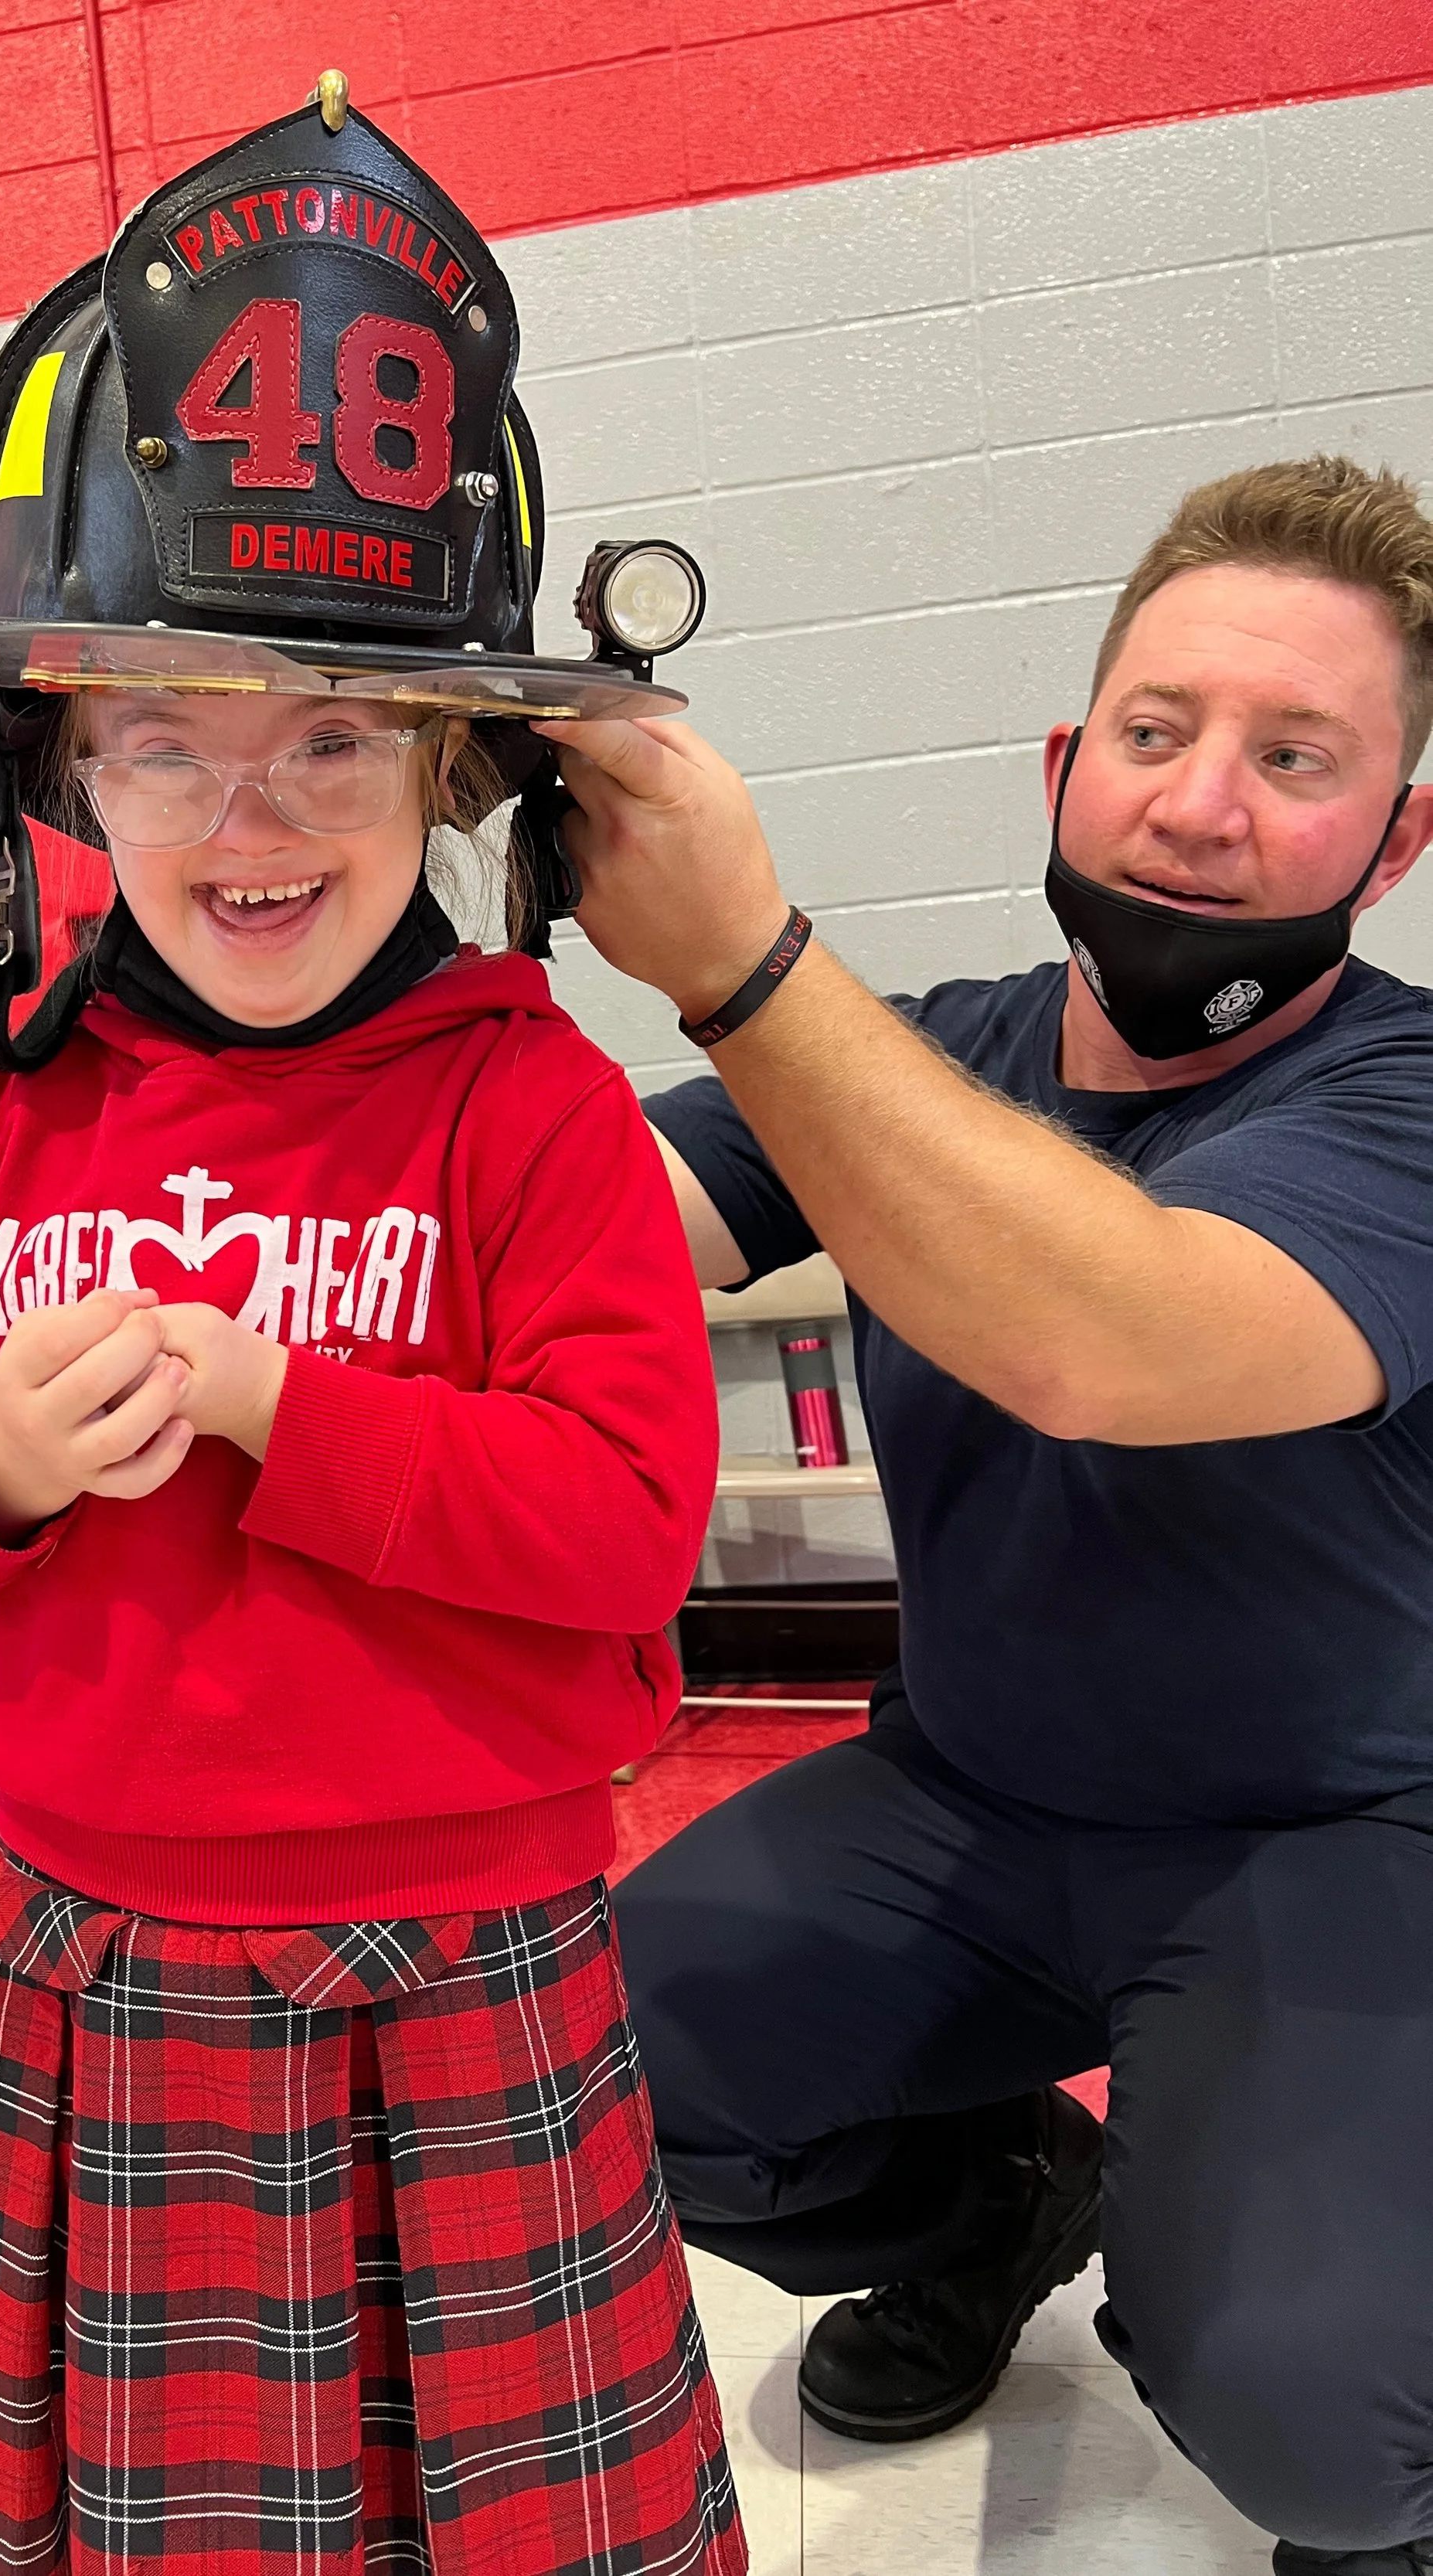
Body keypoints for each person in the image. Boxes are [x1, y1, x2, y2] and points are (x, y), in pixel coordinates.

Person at [0, 83, 744, 2576]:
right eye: (167, 744)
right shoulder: (3, 1114)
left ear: (449, 770)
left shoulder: (528, 1105)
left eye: (333, 736)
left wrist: (277, 1403)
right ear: (62, 777)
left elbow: (625, 1528)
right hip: (93, 1946)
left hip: (474, 1954)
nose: (252, 817)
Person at [539, 455, 1433, 2576]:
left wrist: (740, 962)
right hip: (964, 1806)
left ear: (1397, 841)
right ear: (1061, 765)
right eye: (1155, 730)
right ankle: (997, 2209)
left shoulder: (1403, 1103)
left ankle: (1358, 2438)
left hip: (1328, 1841)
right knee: (569, 2080)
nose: (1198, 805)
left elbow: (1108, 1336)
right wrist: (338, 899)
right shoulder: (925, 1061)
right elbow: (555, 1230)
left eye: (1294, 757)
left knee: (1319, 2423)